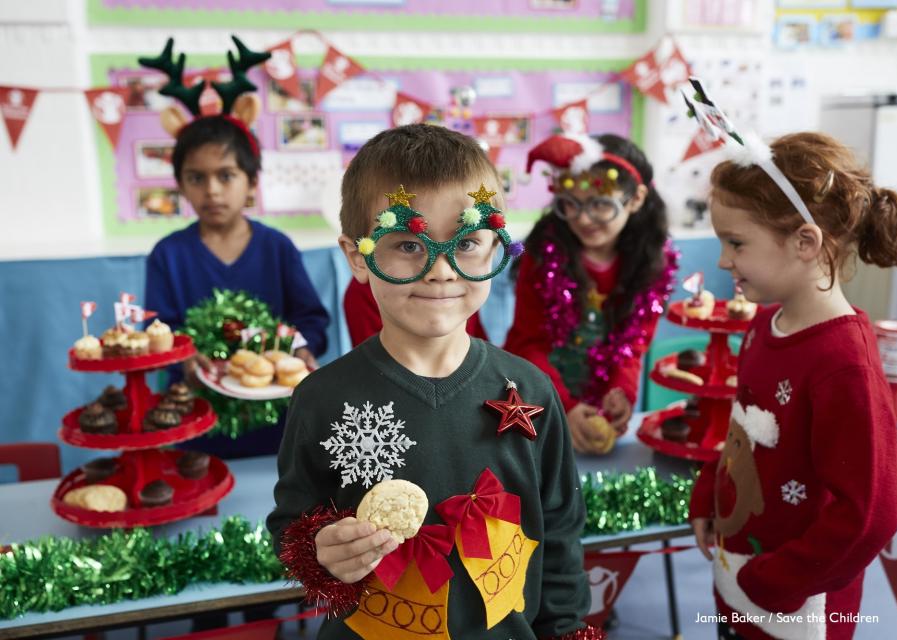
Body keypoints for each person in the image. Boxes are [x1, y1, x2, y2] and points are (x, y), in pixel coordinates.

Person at [266, 124, 600, 639]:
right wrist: (319, 552)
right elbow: (290, 523)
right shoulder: (321, 398)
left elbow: (558, 537)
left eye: (466, 242)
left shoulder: (530, 392)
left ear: (494, 249)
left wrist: (567, 631)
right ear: (358, 256)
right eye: (407, 244)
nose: (441, 271)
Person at [689, 132, 897, 640]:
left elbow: (872, 513)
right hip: (738, 576)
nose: (723, 260)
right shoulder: (766, 324)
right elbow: (746, 432)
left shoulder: (843, 362)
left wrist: (773, 581)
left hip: (797, 609)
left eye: (736, 243)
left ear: (805, 243)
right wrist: (706, 497)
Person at [145, 114, 329, 458]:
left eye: (226, 175)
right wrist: (183, 358)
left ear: (252, 181)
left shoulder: (277, 248)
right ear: (181, 185)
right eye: (197, 178)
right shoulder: (167, 255)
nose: (212, 190)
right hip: (196, 419)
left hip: (277, 420)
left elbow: (312, 320)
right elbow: (159, 331)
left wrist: (302, 350)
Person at [504, 134, 677, 455]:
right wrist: (563, 406)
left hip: (594, 407)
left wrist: (620, 393)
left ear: (636, 198)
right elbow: (528, 344)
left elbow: (632, 346)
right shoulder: (543, 253)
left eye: (600, 204)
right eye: (570, 203)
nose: (583, 219)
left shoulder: (651, 262)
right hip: (533, 399)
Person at [343, 276, 489, 345]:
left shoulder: (461, 289)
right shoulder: (363, 292)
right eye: (409, 247)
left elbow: (477, 337)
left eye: (464, 245)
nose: (442, 272)